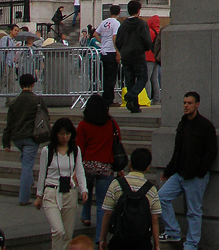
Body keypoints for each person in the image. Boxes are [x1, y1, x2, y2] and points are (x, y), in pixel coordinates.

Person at [158, 92, 217, 250]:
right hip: (179, 173)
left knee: (193, 211)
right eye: (184, 102)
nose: (186, 106)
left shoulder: (205, 126)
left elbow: (211, 152)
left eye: (189, 103)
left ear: (197, 105)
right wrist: (169, 171)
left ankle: (192, 244)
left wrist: (200, 171)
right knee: (161, 197)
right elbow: (177, 151)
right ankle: (172, 231)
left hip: (195, 177)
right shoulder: (183, 123)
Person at [35, 118, 88, 250]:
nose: (64, 137)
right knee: (58, 230)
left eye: (67, 134)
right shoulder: (48, 151)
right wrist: (39, 195)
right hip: (51, 192)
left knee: (68, 234)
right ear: (56, 134)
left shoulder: (75, 150)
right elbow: (42, 173)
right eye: (61, 134)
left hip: (69, 192)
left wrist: (84, 189)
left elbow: (79, 170)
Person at [76, 94, 122, 236]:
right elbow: (118, 141)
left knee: (86, 191)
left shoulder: (83, 125)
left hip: (87, 165)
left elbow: (79, 147)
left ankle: (86, 216)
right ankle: (99, 237)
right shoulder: (111, 124)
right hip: (106, 166)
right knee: (103, 204)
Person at [99, 147, 161, 250]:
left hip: (119, 240)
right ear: (147, 168)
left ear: (130, 164)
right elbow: (154, 220)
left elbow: (107, 213)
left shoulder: (116, 184)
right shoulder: (151, 189)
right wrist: (157, 245)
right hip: (142, 242)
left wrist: (103, 239)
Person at [3, 73, 47, 206]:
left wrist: (6, 142)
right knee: (27, 166)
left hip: (17, 137)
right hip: (30, 136)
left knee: (25, 160)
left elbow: (9, 122)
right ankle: (24, 197)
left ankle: (27, 182)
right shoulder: (37, 100)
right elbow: (45, 117)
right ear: (33, 84)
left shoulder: (14, 101)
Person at [115, 0, 152, 113]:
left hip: (126, 55)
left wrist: (123, 50)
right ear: (138, 10)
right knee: (142, 78)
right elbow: (146, 40)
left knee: (129, 80)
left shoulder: (123, 25)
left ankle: (134, 106)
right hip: (138, 54)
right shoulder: (141, 24)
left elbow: (118, 41)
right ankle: (131, 95)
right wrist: (145, 48)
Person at [95, 5, 122, 106]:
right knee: (111, 77)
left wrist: (102, 42)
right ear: (119, 12)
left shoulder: (104, 22)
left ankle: (106, 97)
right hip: (111, 51)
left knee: (105, 76)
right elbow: (115, 37)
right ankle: (109, 99)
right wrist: (118, 52)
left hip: (104, 51)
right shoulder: (116, 23)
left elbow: (95, 34)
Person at [145, 15, 161, 105]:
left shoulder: (149, 32)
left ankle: (148, 97)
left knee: (147, 79)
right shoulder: (159, 31)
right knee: (155, 79)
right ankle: (157, 99)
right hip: (156, 58)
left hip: (148, 57)